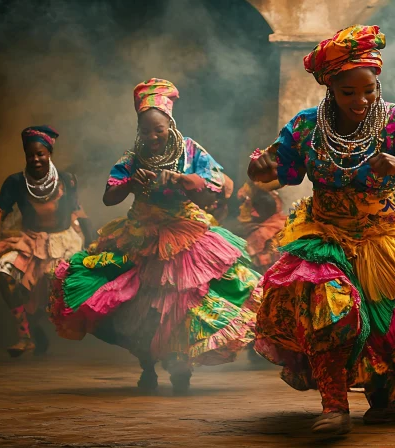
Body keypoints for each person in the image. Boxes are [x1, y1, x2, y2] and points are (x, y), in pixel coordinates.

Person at [247, 25, 395, 435]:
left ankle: (386, 393)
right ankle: (334, 406)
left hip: (386, 235)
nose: (362, 100)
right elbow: (279, 170)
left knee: (394, 323)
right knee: (330, 312)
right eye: (349, 92)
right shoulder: (306, 126)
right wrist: (260, 168)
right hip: (325, 235)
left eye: (369, 89)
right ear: (330, 88)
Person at [48, 78, 260, 395]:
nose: (152, 136)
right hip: (141, 236)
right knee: (142, 306)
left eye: (158, 129)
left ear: (170, 124)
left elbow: (213, 190)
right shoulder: (133, 157)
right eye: (145, 131)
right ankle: (147, 364)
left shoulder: (190, 150)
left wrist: (180, 179)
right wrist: (131, 183)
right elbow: (109, 196)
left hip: (185, 234)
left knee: (182, 303)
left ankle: (180, 365)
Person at [0, 126, 90, 357]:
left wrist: (92, 241)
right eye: (31, 155)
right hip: (30, 241)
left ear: (49, 153)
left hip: (64, 242)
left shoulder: (67, 180)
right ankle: (25, 335)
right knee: (5, 274)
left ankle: (48, 328)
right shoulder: (15, 182)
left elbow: (77, 212)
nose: (36, 159)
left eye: (41, 154)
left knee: (58, 288)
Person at [236, 180, 286, 271]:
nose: (240, 207)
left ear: (256, 211)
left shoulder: (261, 235)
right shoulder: (281, 223)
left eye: (245, 204)